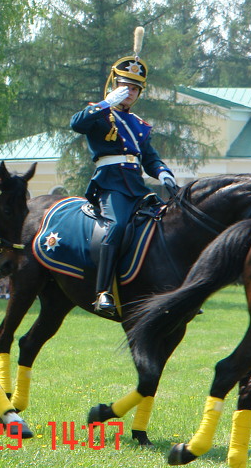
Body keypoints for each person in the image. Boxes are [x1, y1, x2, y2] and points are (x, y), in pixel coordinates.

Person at [71, 28, 176, 318]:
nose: (129, 93)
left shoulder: (139, 124)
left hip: (137, 187)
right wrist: (107, 102)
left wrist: (164, 173)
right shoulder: (99, 113)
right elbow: (76, 124)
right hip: (111, 185)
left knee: (169, 225)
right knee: (116, 227)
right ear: (113, 86)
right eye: (124, 86)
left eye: (133, 89)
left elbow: (150, 159)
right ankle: (102, 292)